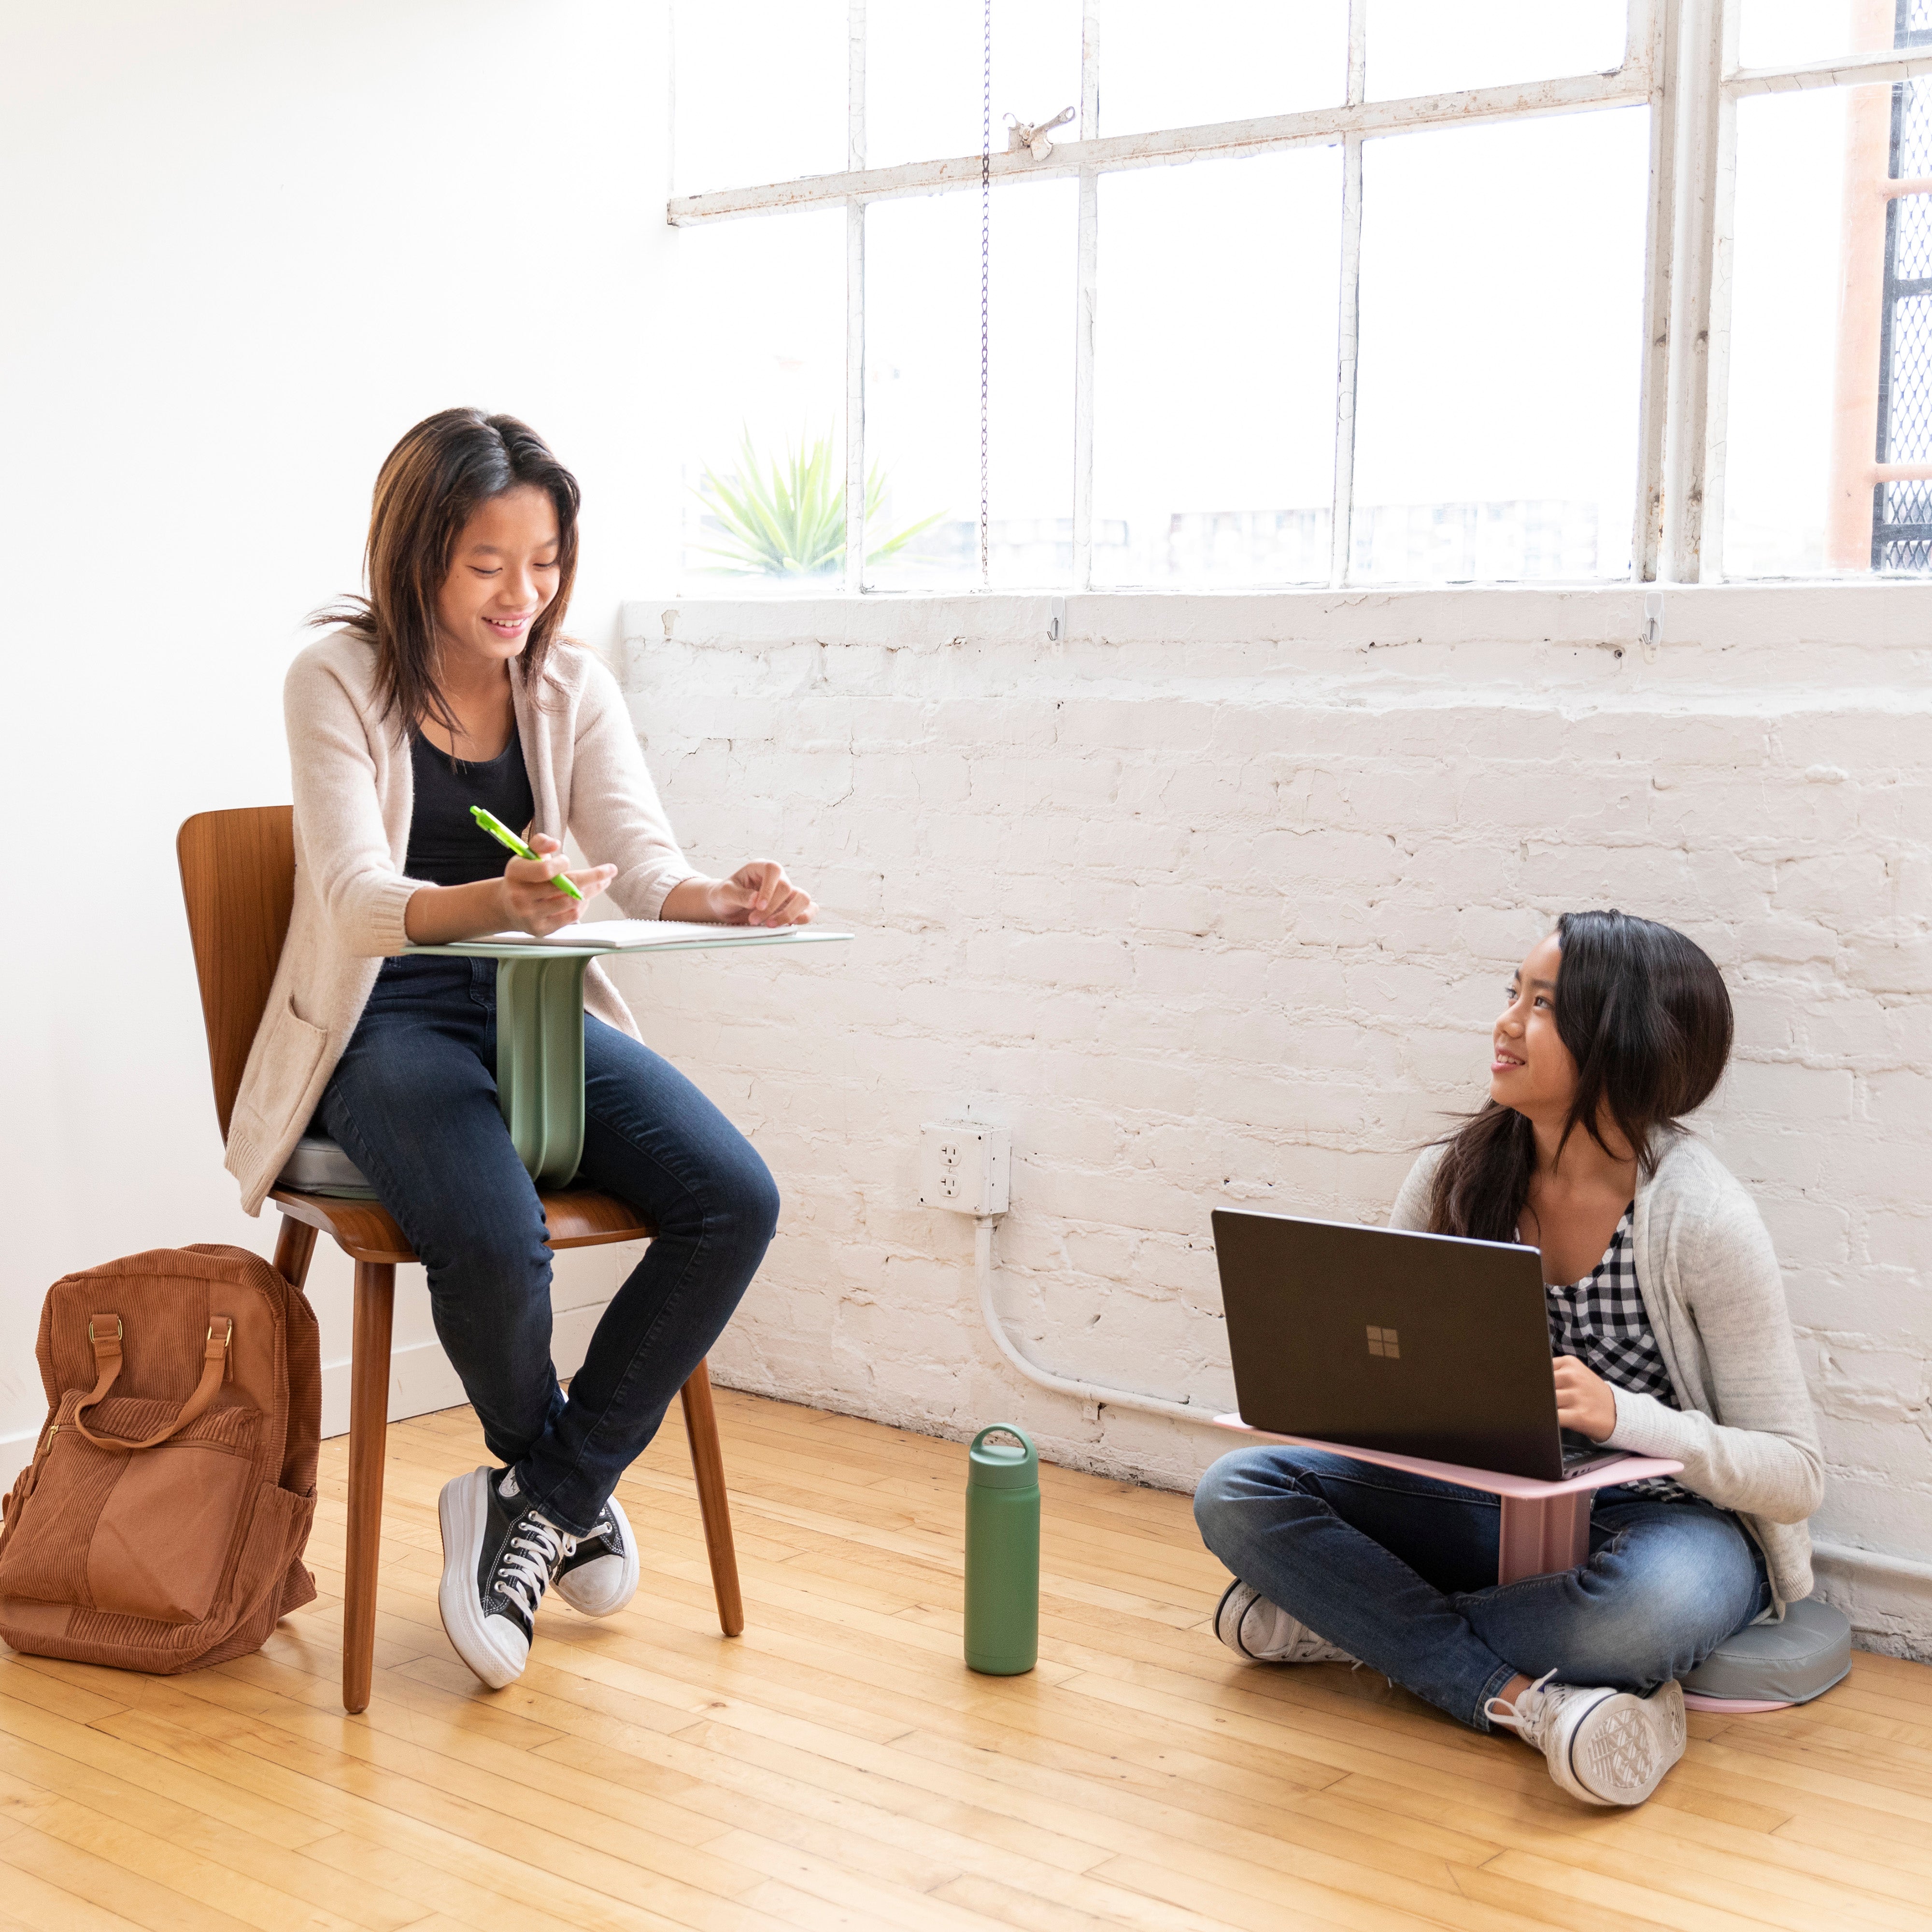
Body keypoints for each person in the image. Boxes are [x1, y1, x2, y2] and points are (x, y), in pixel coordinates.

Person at [227, 408, 812, 1690]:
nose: (522, 593)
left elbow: (642, 861)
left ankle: (535, 1499)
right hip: (385, 1014)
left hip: (536, 1008)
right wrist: (494, 902)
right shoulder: (333, 676)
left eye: (544, 562)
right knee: (494, 1238)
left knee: (736, 1198)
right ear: (420, 548)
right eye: (489, 564)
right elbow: (351, 894)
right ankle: (562, 1488)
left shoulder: (568, 680)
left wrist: (726, 896)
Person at [1193, 911, 1823, 1808]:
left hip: (1661, 1529)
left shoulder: (1700, 1218)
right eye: (1512, 994)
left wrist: (1621, 1415)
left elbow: (1796, 1476)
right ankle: (1529, 1700)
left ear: (1623, 1040)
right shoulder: (1455, 1175)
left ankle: (1350, 1622)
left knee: (1645, 1613)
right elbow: (1380, 1372)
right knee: (1238, 1490)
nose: (1506, 1023)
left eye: (1543, 1006)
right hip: (1488, 1509)